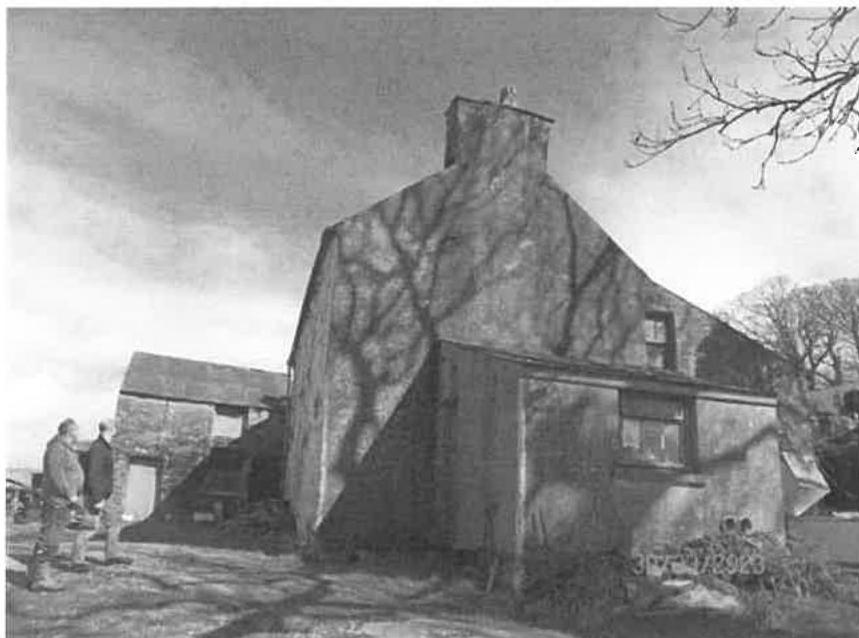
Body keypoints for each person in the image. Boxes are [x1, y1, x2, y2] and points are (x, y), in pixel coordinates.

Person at [27, 418, 89, 592]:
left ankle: (35, 574)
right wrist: (70, 494)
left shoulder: (65, 449)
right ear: (69, 432)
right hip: (56, 501)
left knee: (52, 537)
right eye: (76, 431)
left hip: (62, 501)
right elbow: (56, 476)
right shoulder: (56, 449)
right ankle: (40, 578)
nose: (78, 435)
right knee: (50, 538)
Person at [72, 419, 133, 567]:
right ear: (111, 430)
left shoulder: (105, 447)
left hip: (106, 496)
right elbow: (93, 474)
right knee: (89, 528)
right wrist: (98, 498)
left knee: (114, 524)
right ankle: (77, 561)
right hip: (96, 496)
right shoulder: (98, 448)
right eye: (115, 428)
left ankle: (111, 556)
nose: (116, 430)